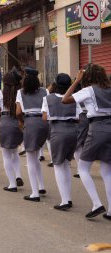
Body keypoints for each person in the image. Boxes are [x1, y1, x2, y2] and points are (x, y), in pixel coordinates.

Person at [62, 64, 111, 220]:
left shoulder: (89, 90)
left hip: (97, 128)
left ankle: (97, 204)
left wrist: (76, 81)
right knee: (107, 170)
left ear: (87, 76)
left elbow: (65, 99)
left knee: (83, 168)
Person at [42, 73, 82, 211]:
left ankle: (65, 200)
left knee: (58, 165)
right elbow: (79, 117)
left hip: (57, 131)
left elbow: (44, 117)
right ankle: (68, 197)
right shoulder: (74, 99)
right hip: (73, 131)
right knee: (66, 164)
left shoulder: (48, 98)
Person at [16, 67, 49, 202]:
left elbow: (18, 112)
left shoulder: (20, 92)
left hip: (30, 122)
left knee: (31, 158)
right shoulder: (45, 91)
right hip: (43, 123)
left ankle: (35, 193)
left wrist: (21, 122)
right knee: (36, 156)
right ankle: (41, 186)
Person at [0, 70, 24, 192]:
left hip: (6, 121)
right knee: (15, 151)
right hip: (19, 122)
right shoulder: (22, 93)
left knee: (6, 154)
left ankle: (12, 184)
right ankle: (18, 176)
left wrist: (0, 120)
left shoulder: (0, 94)